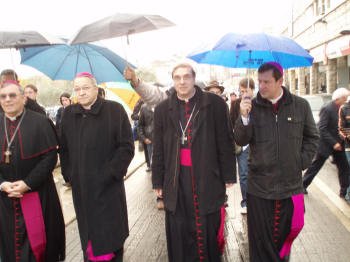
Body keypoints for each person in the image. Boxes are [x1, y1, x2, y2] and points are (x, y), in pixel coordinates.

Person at [235, 62, 319, 261]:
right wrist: (244, 118)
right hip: (259, 189)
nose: (261, 86)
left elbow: (312, 137)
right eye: (259, 81)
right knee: (260, 242)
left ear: (280, 81)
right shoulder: (251, 107)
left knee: (283, 241)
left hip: (289, 188)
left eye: (266, 82)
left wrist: (300, 161)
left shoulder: (300, 105)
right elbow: (240, 139)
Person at [152, 63, 236, 261]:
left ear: (193, 78)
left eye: (186, 77)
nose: (182, 81)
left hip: (206, 176)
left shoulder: (214, 104)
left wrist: (229, 175)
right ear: (173, 80)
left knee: (206, 227)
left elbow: (225, 141)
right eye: (177, 77)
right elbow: (159, 148)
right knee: (179, 228)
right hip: (176, 179)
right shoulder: (163, 109)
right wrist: (157, 180)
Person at [60, 72, 134, 261]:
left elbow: (126, 147)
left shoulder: (114, 110)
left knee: (110, 238)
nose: (81, 92)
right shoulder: (69, 113)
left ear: (95, 88)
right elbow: (64, 148)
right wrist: (69, 174)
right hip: (82, 189)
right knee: (89, 238)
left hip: (108, 188)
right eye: (77, 89)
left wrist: (110, 173)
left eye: (85, 88)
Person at [0, 80, 65, 261]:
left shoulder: (41, 122)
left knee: (39, 249)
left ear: (23, 98)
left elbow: (50, 157)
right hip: (5, 199)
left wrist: (27, 183)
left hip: (37, 194)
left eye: (13, 95)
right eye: (3, 96)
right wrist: (3, 184)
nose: (8, 100)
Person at [303, 87, 350, 197]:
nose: (347, 99)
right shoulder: (328, 108)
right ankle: (302, 185)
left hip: (339, 144)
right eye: (346, 97)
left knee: (344, 168)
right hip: (326, 144)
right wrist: (334, 143)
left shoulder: (342, 108)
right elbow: (322, 128)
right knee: (315, 166)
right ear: (340, 98)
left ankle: (344, 192)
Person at [230, 77, 255, 214]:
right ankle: (245, 201)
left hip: (255, 145)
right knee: (244, 174)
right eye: (241, 91)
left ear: (253, 89)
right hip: (241, 146)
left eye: (246, 90)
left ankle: (255, 201)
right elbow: (231, 122)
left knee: (254, 174)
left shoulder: (258, 103)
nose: (244, 93)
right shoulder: (235, 105)